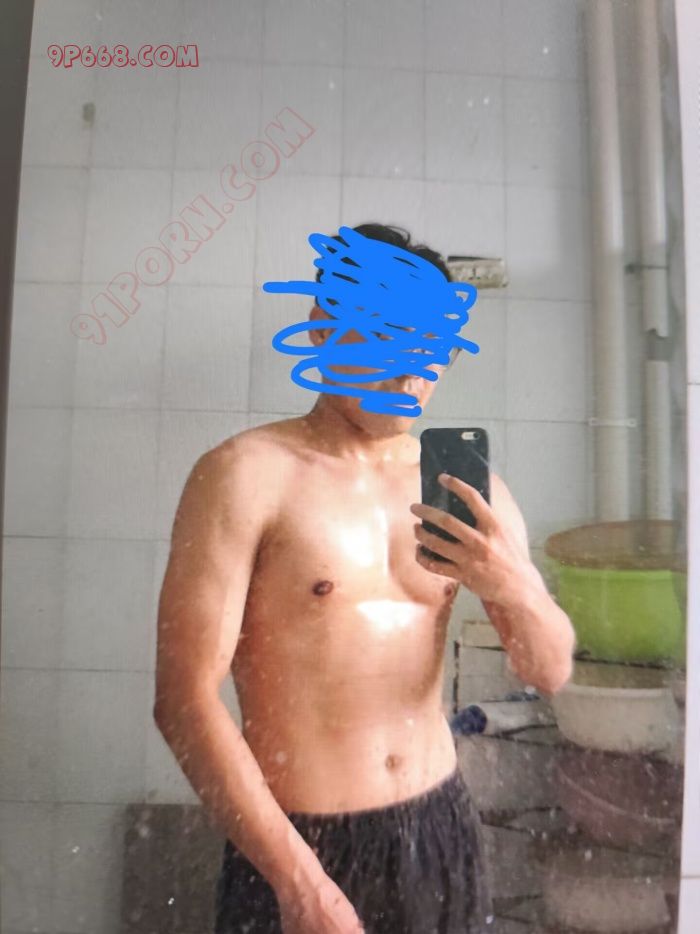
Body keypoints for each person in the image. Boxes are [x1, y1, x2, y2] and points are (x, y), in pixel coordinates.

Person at [153, 223, 576, 933]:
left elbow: (551, 670)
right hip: (300, 843)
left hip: (440, 830)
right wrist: (301, 885)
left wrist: (513, 585)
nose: (416, 371)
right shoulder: (245, 477)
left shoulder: (467, 492)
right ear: (324, 327)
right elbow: (183, 700)